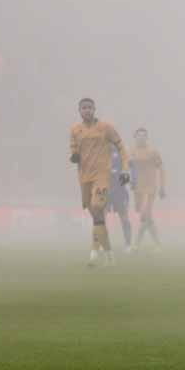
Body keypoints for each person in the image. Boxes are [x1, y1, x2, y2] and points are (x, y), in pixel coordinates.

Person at [68, 97, 130, 267]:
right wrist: (74, 156)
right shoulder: (75, 130)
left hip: (102, 176)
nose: (87, 110)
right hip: (84, 178)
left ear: (94, 109)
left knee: (97, 207)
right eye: (83, 108)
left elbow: (121, 147)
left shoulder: (106, 128)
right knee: (97, 218)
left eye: (89, 107)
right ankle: (108, 253)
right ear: (79, 111)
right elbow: (74, 150)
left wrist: (125, 169)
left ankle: (94, 254)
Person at [127, 127, 166, 250]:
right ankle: (157, 244)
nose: (141, 137)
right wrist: (130, 182)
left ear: (147, 138)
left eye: (144, 135)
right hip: (137, 189)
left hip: (150, 188)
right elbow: (129, 168)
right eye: (139, 135)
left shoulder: (153, 152)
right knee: (146, 217)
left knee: (145, 215)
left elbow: (161, 169)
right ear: (135, 137)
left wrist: (162, 187)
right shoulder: (132, 151)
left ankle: (137, 244)